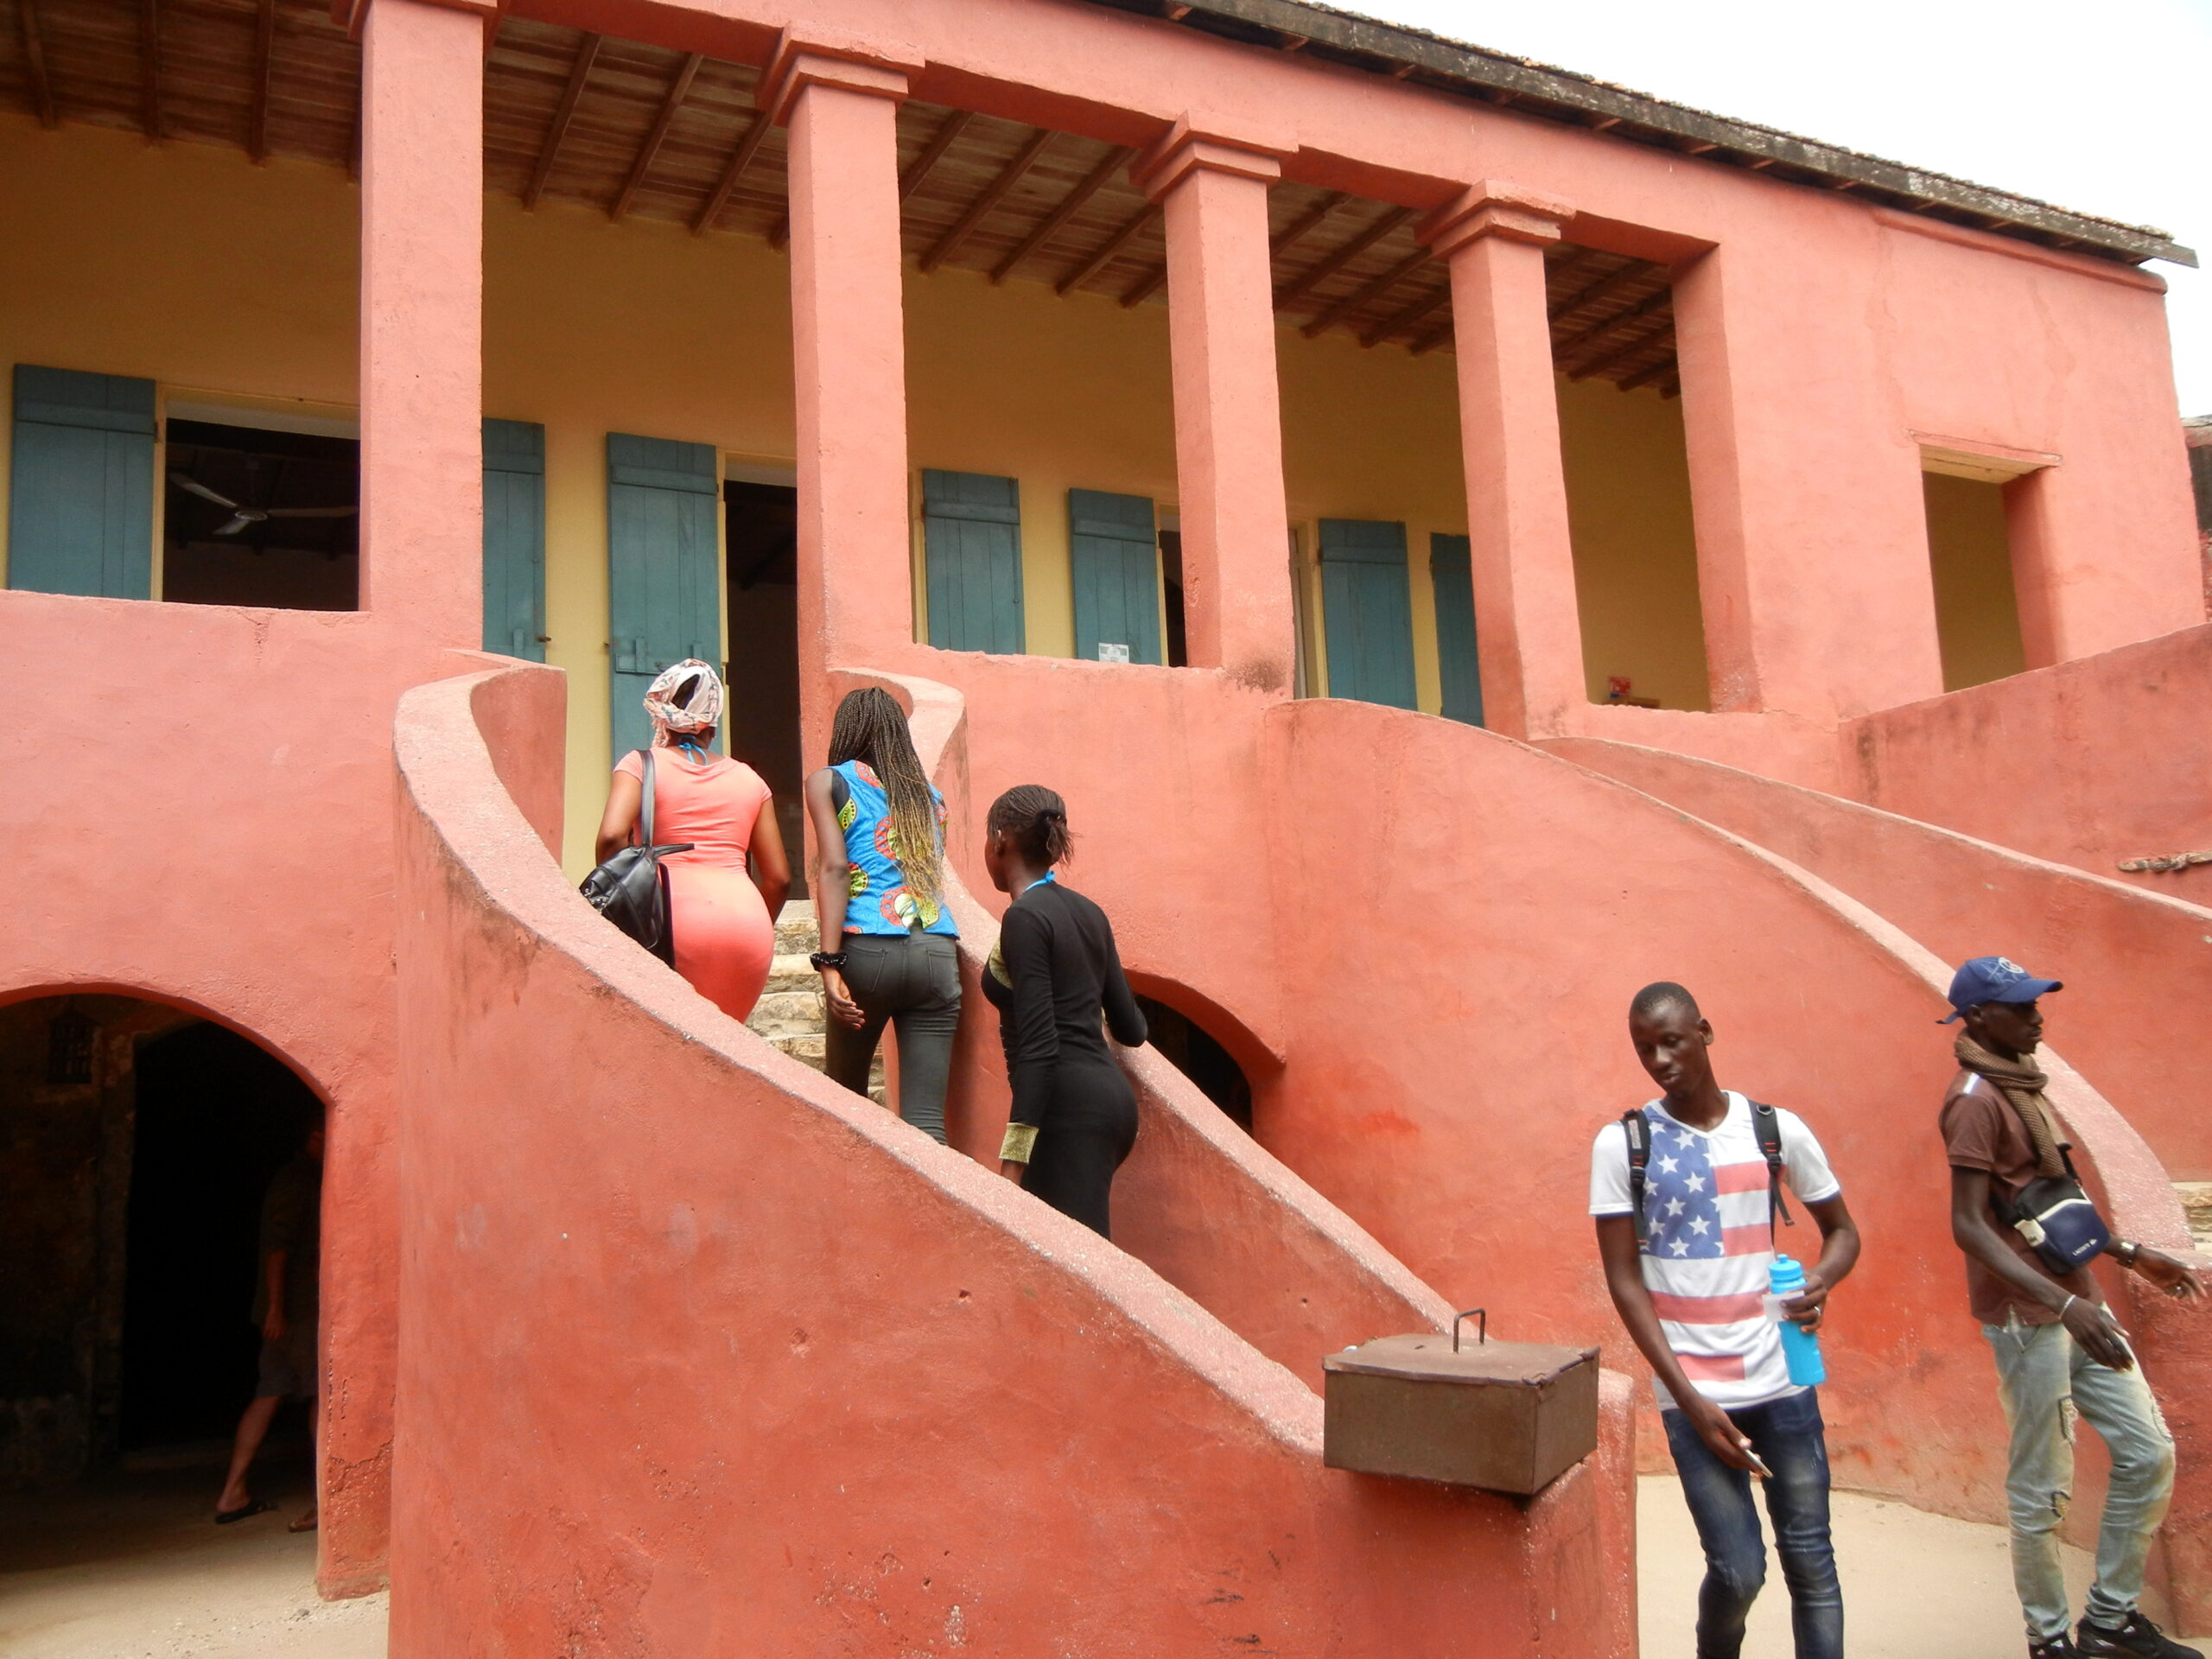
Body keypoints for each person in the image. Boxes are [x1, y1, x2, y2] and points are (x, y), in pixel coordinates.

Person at [1938, 956, 2204, 1659]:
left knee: (2148, 1454)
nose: (2036, 1016)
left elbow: (2046, 1201)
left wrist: (2126, 1250)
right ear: (1977, 1018)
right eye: (2020, 1007)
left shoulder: (2023, 1084)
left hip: (2075, 1299)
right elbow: (1968, 1224)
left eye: (2035, 1003)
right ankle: (2050, 1639)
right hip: (2031, 1321)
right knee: (2043, 1489)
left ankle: (2110, 1622)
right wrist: (2061, 1303)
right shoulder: (1974, 1100)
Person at [1591, 982, 1859, 1659]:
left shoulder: (1774, 1129)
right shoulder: (1625, 1144)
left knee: (1812, 1563)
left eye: (1673, 1041)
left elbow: (1842, 1232)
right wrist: (1687, 1398)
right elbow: (1624, 1278)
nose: (1661, 1060)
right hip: (1696, 1396)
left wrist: (1821, 1281)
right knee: (1739, 1571)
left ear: (1705, 1032)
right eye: (1645, 1049)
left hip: (1784, 1380)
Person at [980, 785, 1147, 1238]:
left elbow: (1039, 1044)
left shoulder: (1025, 918)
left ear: (1000, 839)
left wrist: (1013, 1159)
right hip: (1111, 1106)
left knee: (1085, 1270)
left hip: (1067, 1112)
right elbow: (1132, 1028)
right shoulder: (1089, 912)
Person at [803, 687, 961, 1144]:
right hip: (936, 953)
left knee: (846, 1106)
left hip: (868, 951)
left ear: (848, 730)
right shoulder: (931, 797)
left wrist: (829, 965)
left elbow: (834, 869)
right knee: (927, 1123)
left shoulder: (829, 781)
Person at [595, 659, 789, 1021]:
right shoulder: (750, 779)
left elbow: (610, 837)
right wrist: (754, 923)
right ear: (713, 722)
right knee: (729, 1055)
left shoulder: (640, 764)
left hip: (672, 921)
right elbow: (778, 878)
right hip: (747, 927)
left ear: (661, 715)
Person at [215, 1119, 324, 1530]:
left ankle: (232, 1493)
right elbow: (278, 1248)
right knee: (322, 1399)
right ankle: (325, 1501)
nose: (329, 1141)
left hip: (285, 1315)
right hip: (299, 1313)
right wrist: (278, 1308)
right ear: (309, 1138)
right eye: (321, 1134)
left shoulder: (295, 1178)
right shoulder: (297, 1182)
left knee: (269, 1394)